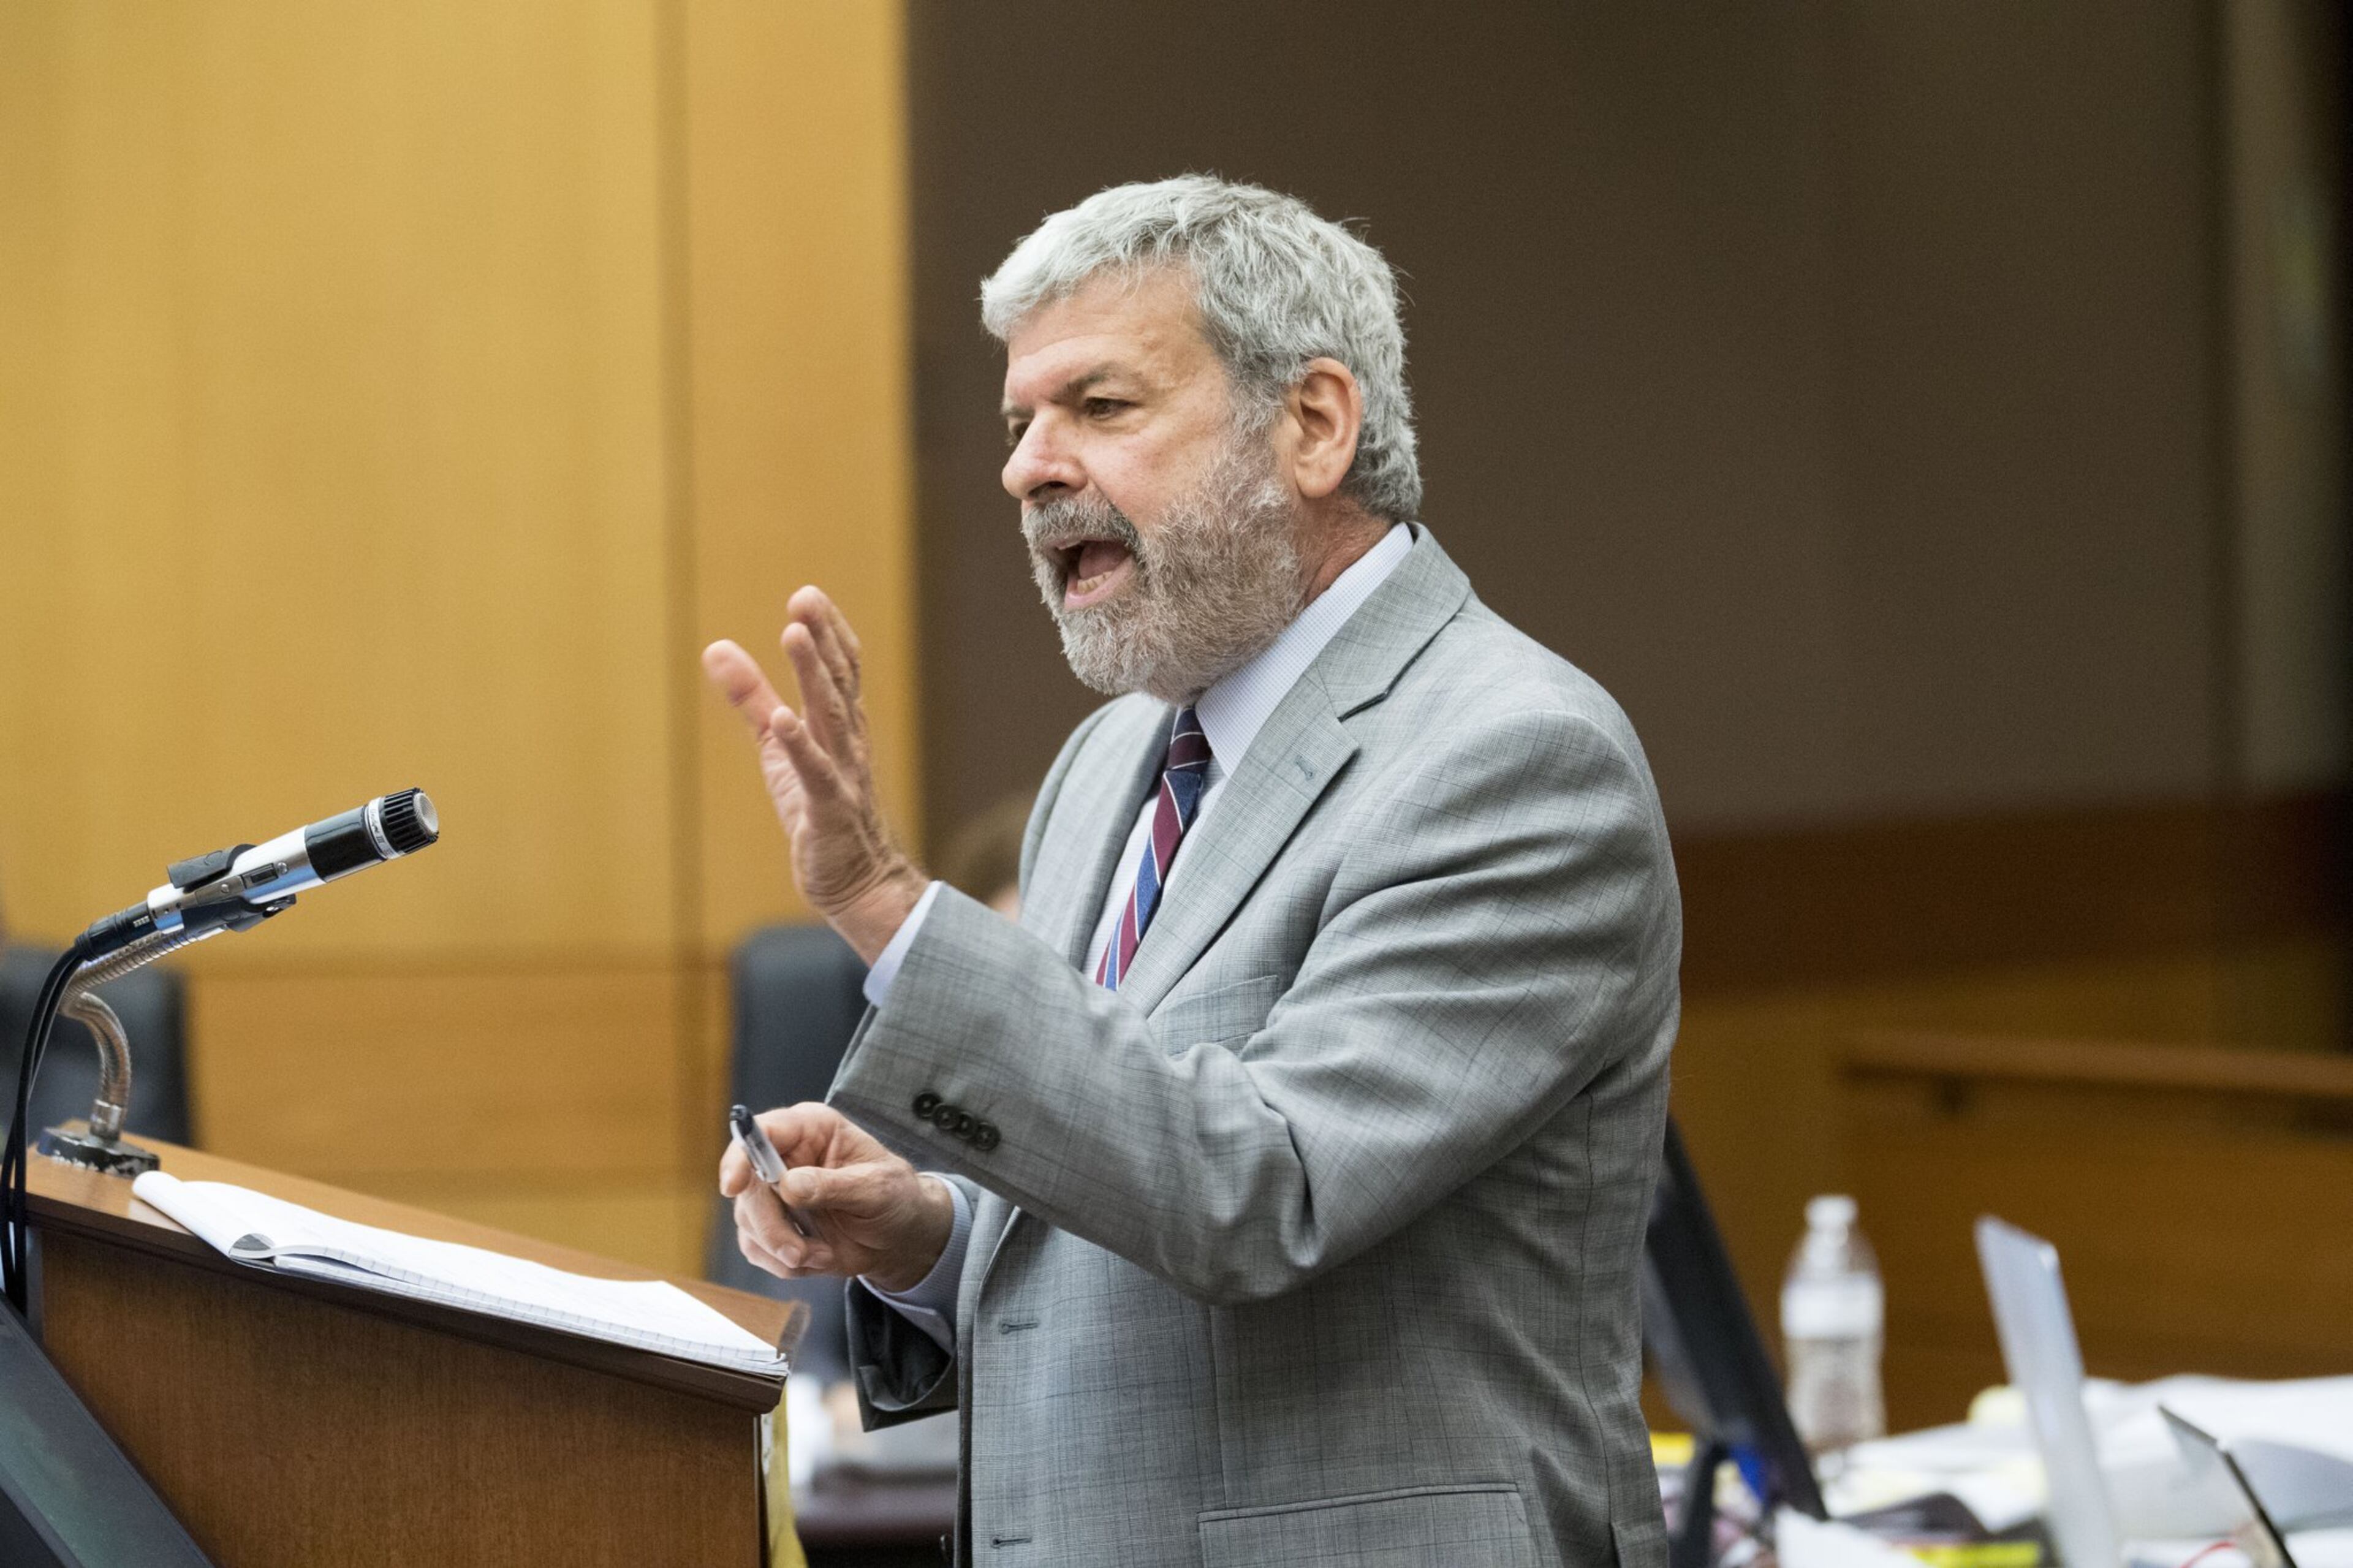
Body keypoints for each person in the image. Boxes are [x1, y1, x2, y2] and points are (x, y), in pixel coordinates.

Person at [708, 176, 1679, 1568]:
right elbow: (1131, 1160)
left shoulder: (1517, 757)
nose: (1028, 466)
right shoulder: (1110, 764)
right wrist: (932, 1232)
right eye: (1018, 422)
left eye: (1098, 407)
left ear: (1314, 426)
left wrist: (884, 903)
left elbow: (1260, 1188)